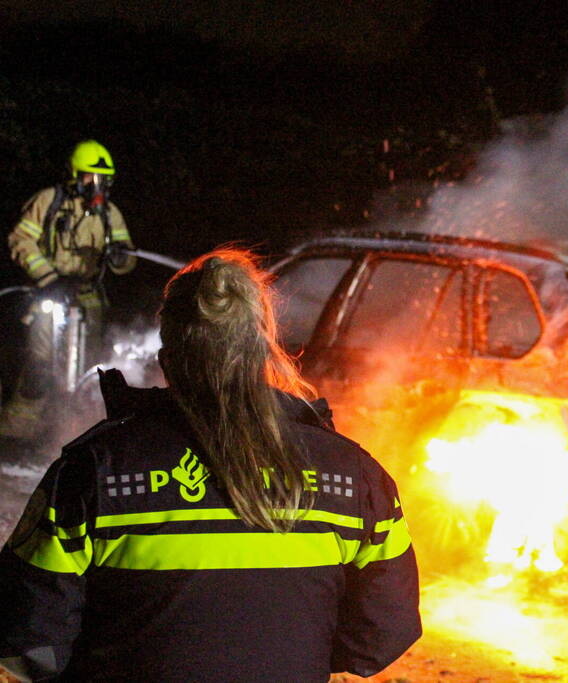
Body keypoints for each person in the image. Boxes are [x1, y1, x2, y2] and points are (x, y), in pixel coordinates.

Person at [0, 248, 421, 681]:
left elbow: (28, 641)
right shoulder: (354, 477)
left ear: (167, 356)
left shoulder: (95, 471)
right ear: (265, 350)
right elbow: (384, 632)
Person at [0, 139, 137, 441]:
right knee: (40, 361)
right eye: (90, 177)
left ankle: (75, 430)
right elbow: (20, 240)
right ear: (74, 175)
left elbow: (127, 259)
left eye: (103, 179)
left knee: (90, 367)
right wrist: (48, 278)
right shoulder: (48, 201)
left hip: (88, 298)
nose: (97, 185)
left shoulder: (109, 213)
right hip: (49, 295)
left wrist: (121, 256)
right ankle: (19, 431)